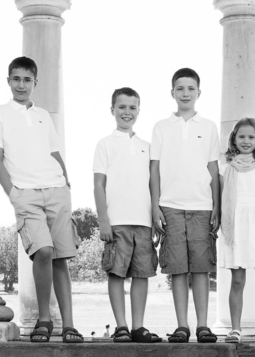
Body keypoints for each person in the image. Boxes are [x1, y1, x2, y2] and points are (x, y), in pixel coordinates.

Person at [0, 56, 83, 343]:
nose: (21, 84)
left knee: (60, 258)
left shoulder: (44, 115)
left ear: (35, 83)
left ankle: (68, 324)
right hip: (25, 194)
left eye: (27, 79)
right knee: (42, 252)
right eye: (16, 78)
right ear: (8, 81)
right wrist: (13, 193)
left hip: (56, 191)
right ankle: (44, 319)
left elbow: (55, 154)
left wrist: (65, 183)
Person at [150, 67, 221, 344]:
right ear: (172, 93)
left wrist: (216, 206)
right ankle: (182, 326)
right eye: (180, 88)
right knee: (177, 269)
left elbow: (213, 169)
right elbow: (154, 169)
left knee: (201, 268)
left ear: (199, 92)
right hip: (169, 205)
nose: (185, 93)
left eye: (191, 88)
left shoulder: (209, 127)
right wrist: (155, 206)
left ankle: (203, 325)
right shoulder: (161, 127)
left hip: (202, 207)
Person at [93, 87, 162, 344]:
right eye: (121, 107)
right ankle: (121, 326)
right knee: (117, 273)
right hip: (117, 221)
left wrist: (155, 215)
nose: (127, 112)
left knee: (142, 274)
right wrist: (103, 220)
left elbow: (153, 184)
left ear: (139, 111)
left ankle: (138, 327)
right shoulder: (105, 144)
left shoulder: (147, 147)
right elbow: (98, 185)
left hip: (143, 221)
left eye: (132, 107)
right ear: (112, 110)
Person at [218, 117, 255, 344]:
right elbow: (222, 200)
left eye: (251, 137)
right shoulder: (226, 169)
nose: (246, 141)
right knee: (237, 281)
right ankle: (235, 329)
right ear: (234, 139)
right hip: (236, 227)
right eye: (241, 136)